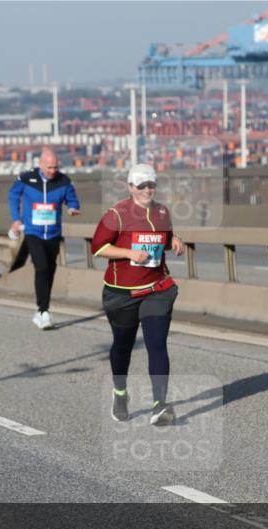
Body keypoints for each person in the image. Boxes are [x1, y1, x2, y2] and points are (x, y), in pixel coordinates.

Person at [90, 164, 183, 426]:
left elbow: (160, 239)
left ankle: (160, 405)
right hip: (122, 293)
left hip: (157, 289)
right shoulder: (116, 214)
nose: (147, 190)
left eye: (151, 185)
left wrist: (173, 239)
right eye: (141, 186)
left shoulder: (163, 211)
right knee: (123, 346)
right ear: (130, 187)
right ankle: (120, 393)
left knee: (157, 344)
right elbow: (98, 248)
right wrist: (129, 254)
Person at [9, 148, 80, 329]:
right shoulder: (27, 179)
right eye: (49, 167)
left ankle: (42, 309)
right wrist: (16, 219)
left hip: (54, 233)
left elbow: (71, 198)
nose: (52, 171)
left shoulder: (63, 181)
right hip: (33, 232)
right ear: (40, 165)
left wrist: (72, 207)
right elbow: (13, 194)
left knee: (50, 269)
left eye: (55, 167)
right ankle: (43, 311)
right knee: (41, 267)